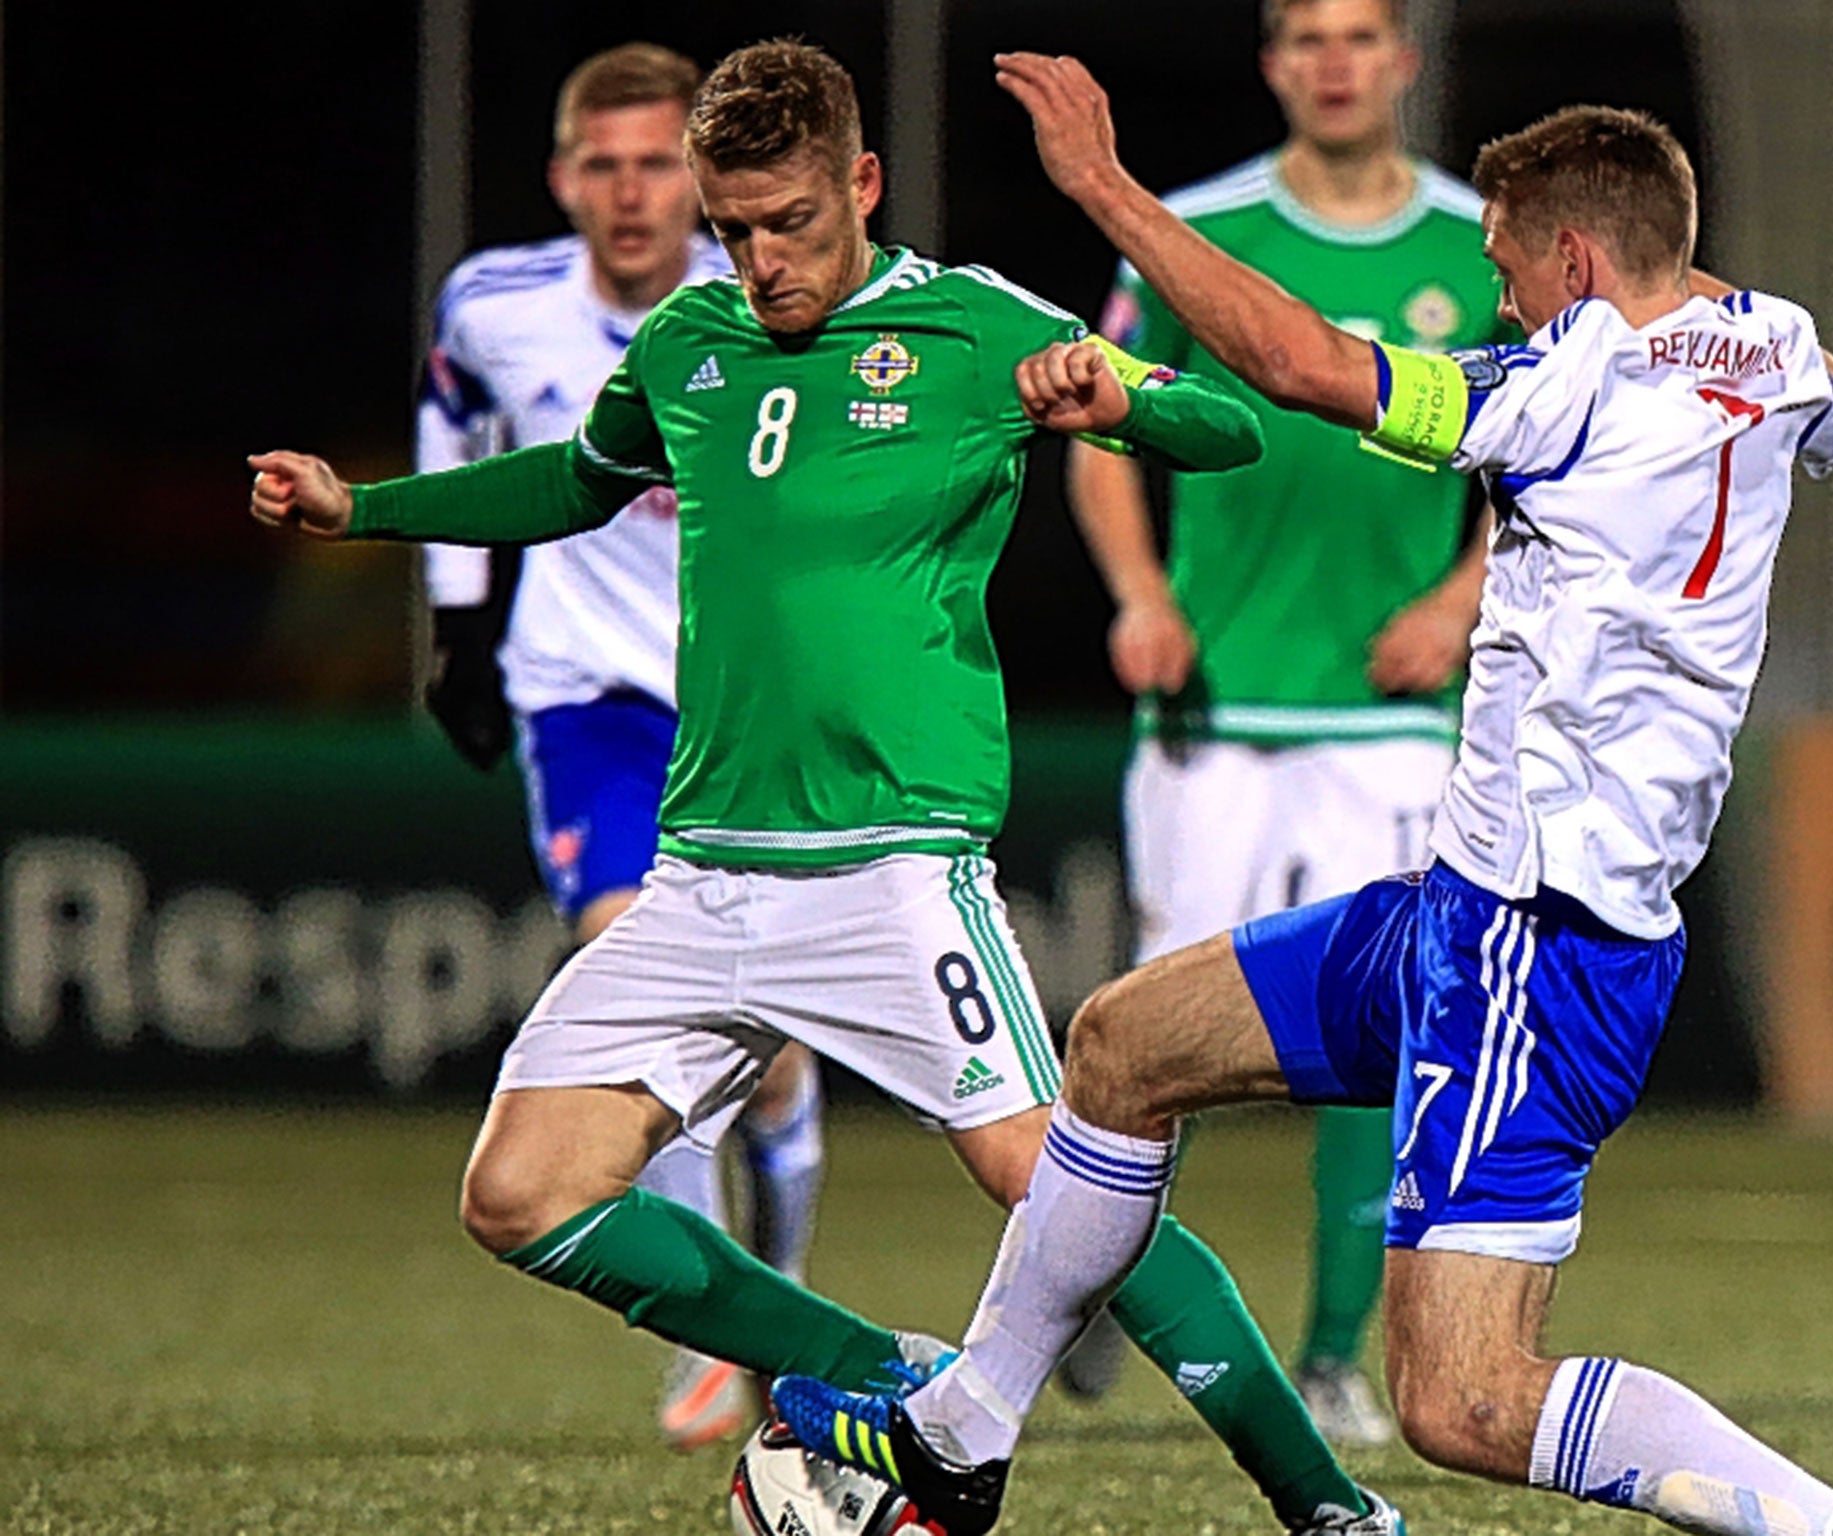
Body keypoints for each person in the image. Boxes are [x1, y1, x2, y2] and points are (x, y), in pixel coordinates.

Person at [767, 56, 1833, 1536]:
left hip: (1537, 949)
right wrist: (1629, 264)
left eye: (1511, 269)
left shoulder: (1564, 384)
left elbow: (1296, 365)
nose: (1498, 302)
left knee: (1462, 1401)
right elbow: (1785, 367)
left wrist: (1102, 189)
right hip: (1462, 913)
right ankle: (964, 1432)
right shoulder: (1781, 348)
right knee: (1122, 1047)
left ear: (1579, 266)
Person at [250, 39, 1404, 1536]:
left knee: (1074, 1202)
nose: (759, 258)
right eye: (730, 228)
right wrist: (366, 513)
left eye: (787, 221)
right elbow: (570, 483)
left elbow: (1231, 426)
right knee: (520, 1192)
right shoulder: (689, 343)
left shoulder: (978, 327)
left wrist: (1108, 400)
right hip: (703, 873)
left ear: (861, 185)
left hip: (892, 875)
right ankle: (883, 1375)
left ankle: (1326, 1505)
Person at [1058, 0, 1505, 1434]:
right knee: (1146, 1036)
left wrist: (1463, 598)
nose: (1333, 58)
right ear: (1272, 64)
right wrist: (1138, 590)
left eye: (1360, 33)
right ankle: (1088, 1292)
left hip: (1394, 714)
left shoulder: (1474, 241)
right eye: (1306, 35)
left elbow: (1557, 439)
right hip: (1216, 708)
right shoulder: (1198, 228)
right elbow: (1101, 419)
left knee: (1397, 1027)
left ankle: (1329, 1353)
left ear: (1401, 62)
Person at [414, 41, 828, 1451]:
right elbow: (456, 411)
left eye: (660, 164)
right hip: (584, 698)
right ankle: (710, 1347)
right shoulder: (496, 304)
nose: (632, 192)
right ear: (563, 178)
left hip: (746, 709)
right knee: (631, 956)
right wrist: (461, 628)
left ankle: (778, 1297)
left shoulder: (763, 310)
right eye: (606, 165)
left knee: (770, 1064)